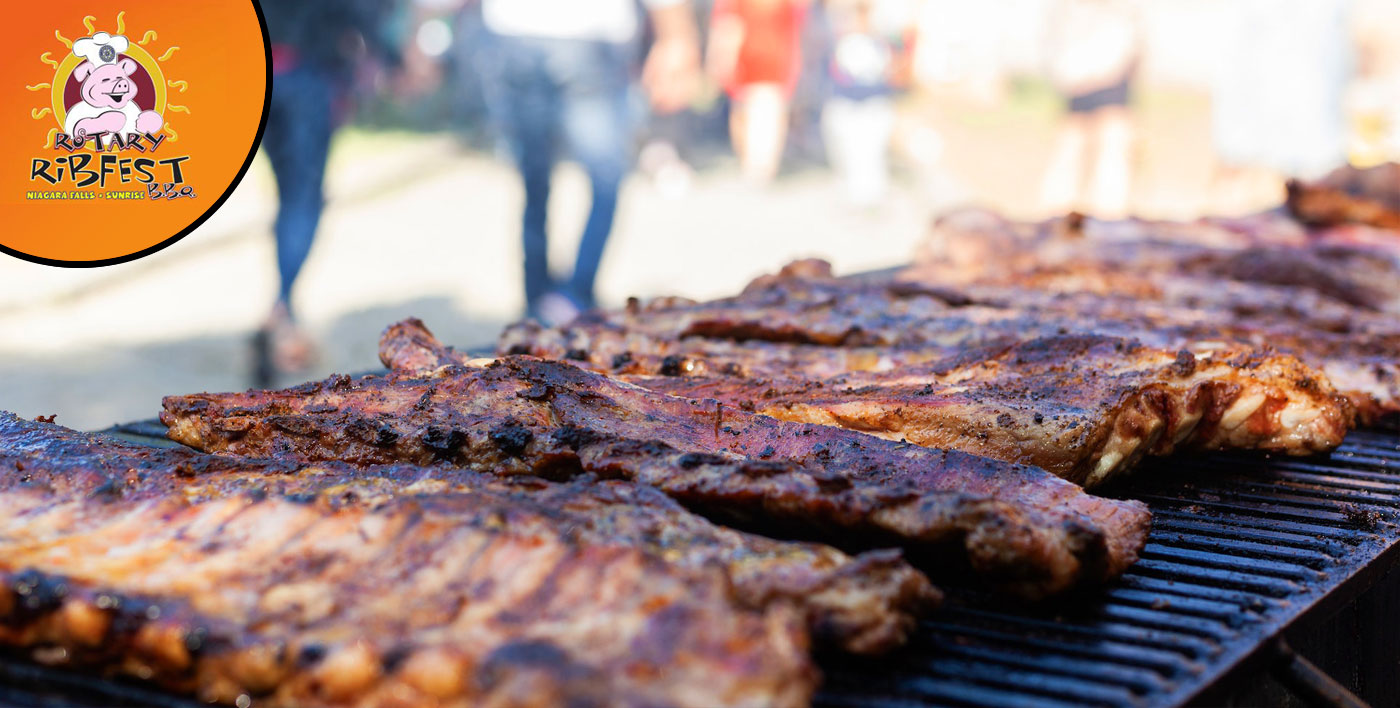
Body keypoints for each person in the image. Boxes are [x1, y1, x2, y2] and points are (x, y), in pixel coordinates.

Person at [474, 0, 700, 325]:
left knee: (542, 178)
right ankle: (567, 296)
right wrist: (678, 35)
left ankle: (547, 297)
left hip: (520, 35)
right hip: (580, 41)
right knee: (598, 177)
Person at [256, 0, 400, 379]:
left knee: (290, 195)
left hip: (258, 73)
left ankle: (282, 309)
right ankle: (283, 307)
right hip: (308, 73)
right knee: (303, 198)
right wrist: (387, 57)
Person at [1038, 0, 1139, 219]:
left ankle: (1109, 217)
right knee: (1074, 147)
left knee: (1111, 148)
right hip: (1080, 74)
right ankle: (1057, 217)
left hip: (1108, 74)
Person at [820, 0, 915, 206]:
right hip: (846, 106)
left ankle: (868, 200)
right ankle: (854, 198)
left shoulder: (885, 42)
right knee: (846, 153)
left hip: (873, 107)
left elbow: (899, 73)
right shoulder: (838, 40)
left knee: (870, 155)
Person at [707, 0, 809, 183]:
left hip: (775, 62)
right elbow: (726, 25)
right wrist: (722, 58)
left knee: (766, 111)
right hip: (746, 62)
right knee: (744, 111)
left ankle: (762, 166)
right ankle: (752, 164)